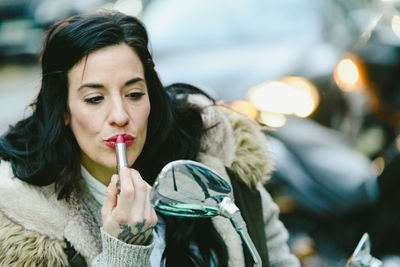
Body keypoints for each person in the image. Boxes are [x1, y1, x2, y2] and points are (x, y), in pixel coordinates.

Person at [0, 10, 299, 267]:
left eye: (134, 94)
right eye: (94, 98)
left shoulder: (216, 158)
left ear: (152, 98)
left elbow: (276, 257)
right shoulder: (25, 218)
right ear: (63, 110)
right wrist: (124, 250)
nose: (119, 115)